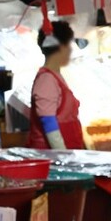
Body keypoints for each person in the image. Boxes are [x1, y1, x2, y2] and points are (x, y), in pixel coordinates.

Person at [28, 19, 86, 150]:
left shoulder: (55, 76)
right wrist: (62, 156)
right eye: (69, 45)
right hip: (52, 160)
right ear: (62, 47)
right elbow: (48, 122)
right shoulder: (46, 80)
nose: (71, 51)